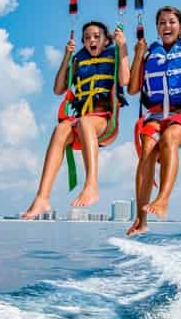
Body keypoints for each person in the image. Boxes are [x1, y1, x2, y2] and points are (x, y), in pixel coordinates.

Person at [22, 21, 130, 219]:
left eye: (97, 36)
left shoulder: (115, 53)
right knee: (62, 127)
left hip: (105, 123)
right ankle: (42, 197)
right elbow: (58, 90)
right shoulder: (78, 59)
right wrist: (67, 56)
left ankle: (91, 184)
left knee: (85, 121)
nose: (92, 40)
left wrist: (122, 47)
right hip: (81, 124)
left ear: (107, 40)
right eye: (87, 37)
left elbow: (124, 80)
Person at [126, 6, 181, 235]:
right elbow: (133, 89)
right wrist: (138, 53)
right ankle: (141, 219)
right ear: (157, 28)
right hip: (154, 114)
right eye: (162, 23)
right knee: (147, 150)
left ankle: (162, 199)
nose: (166, 26)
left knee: (169, 138)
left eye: (171, 22)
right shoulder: (149, 52)